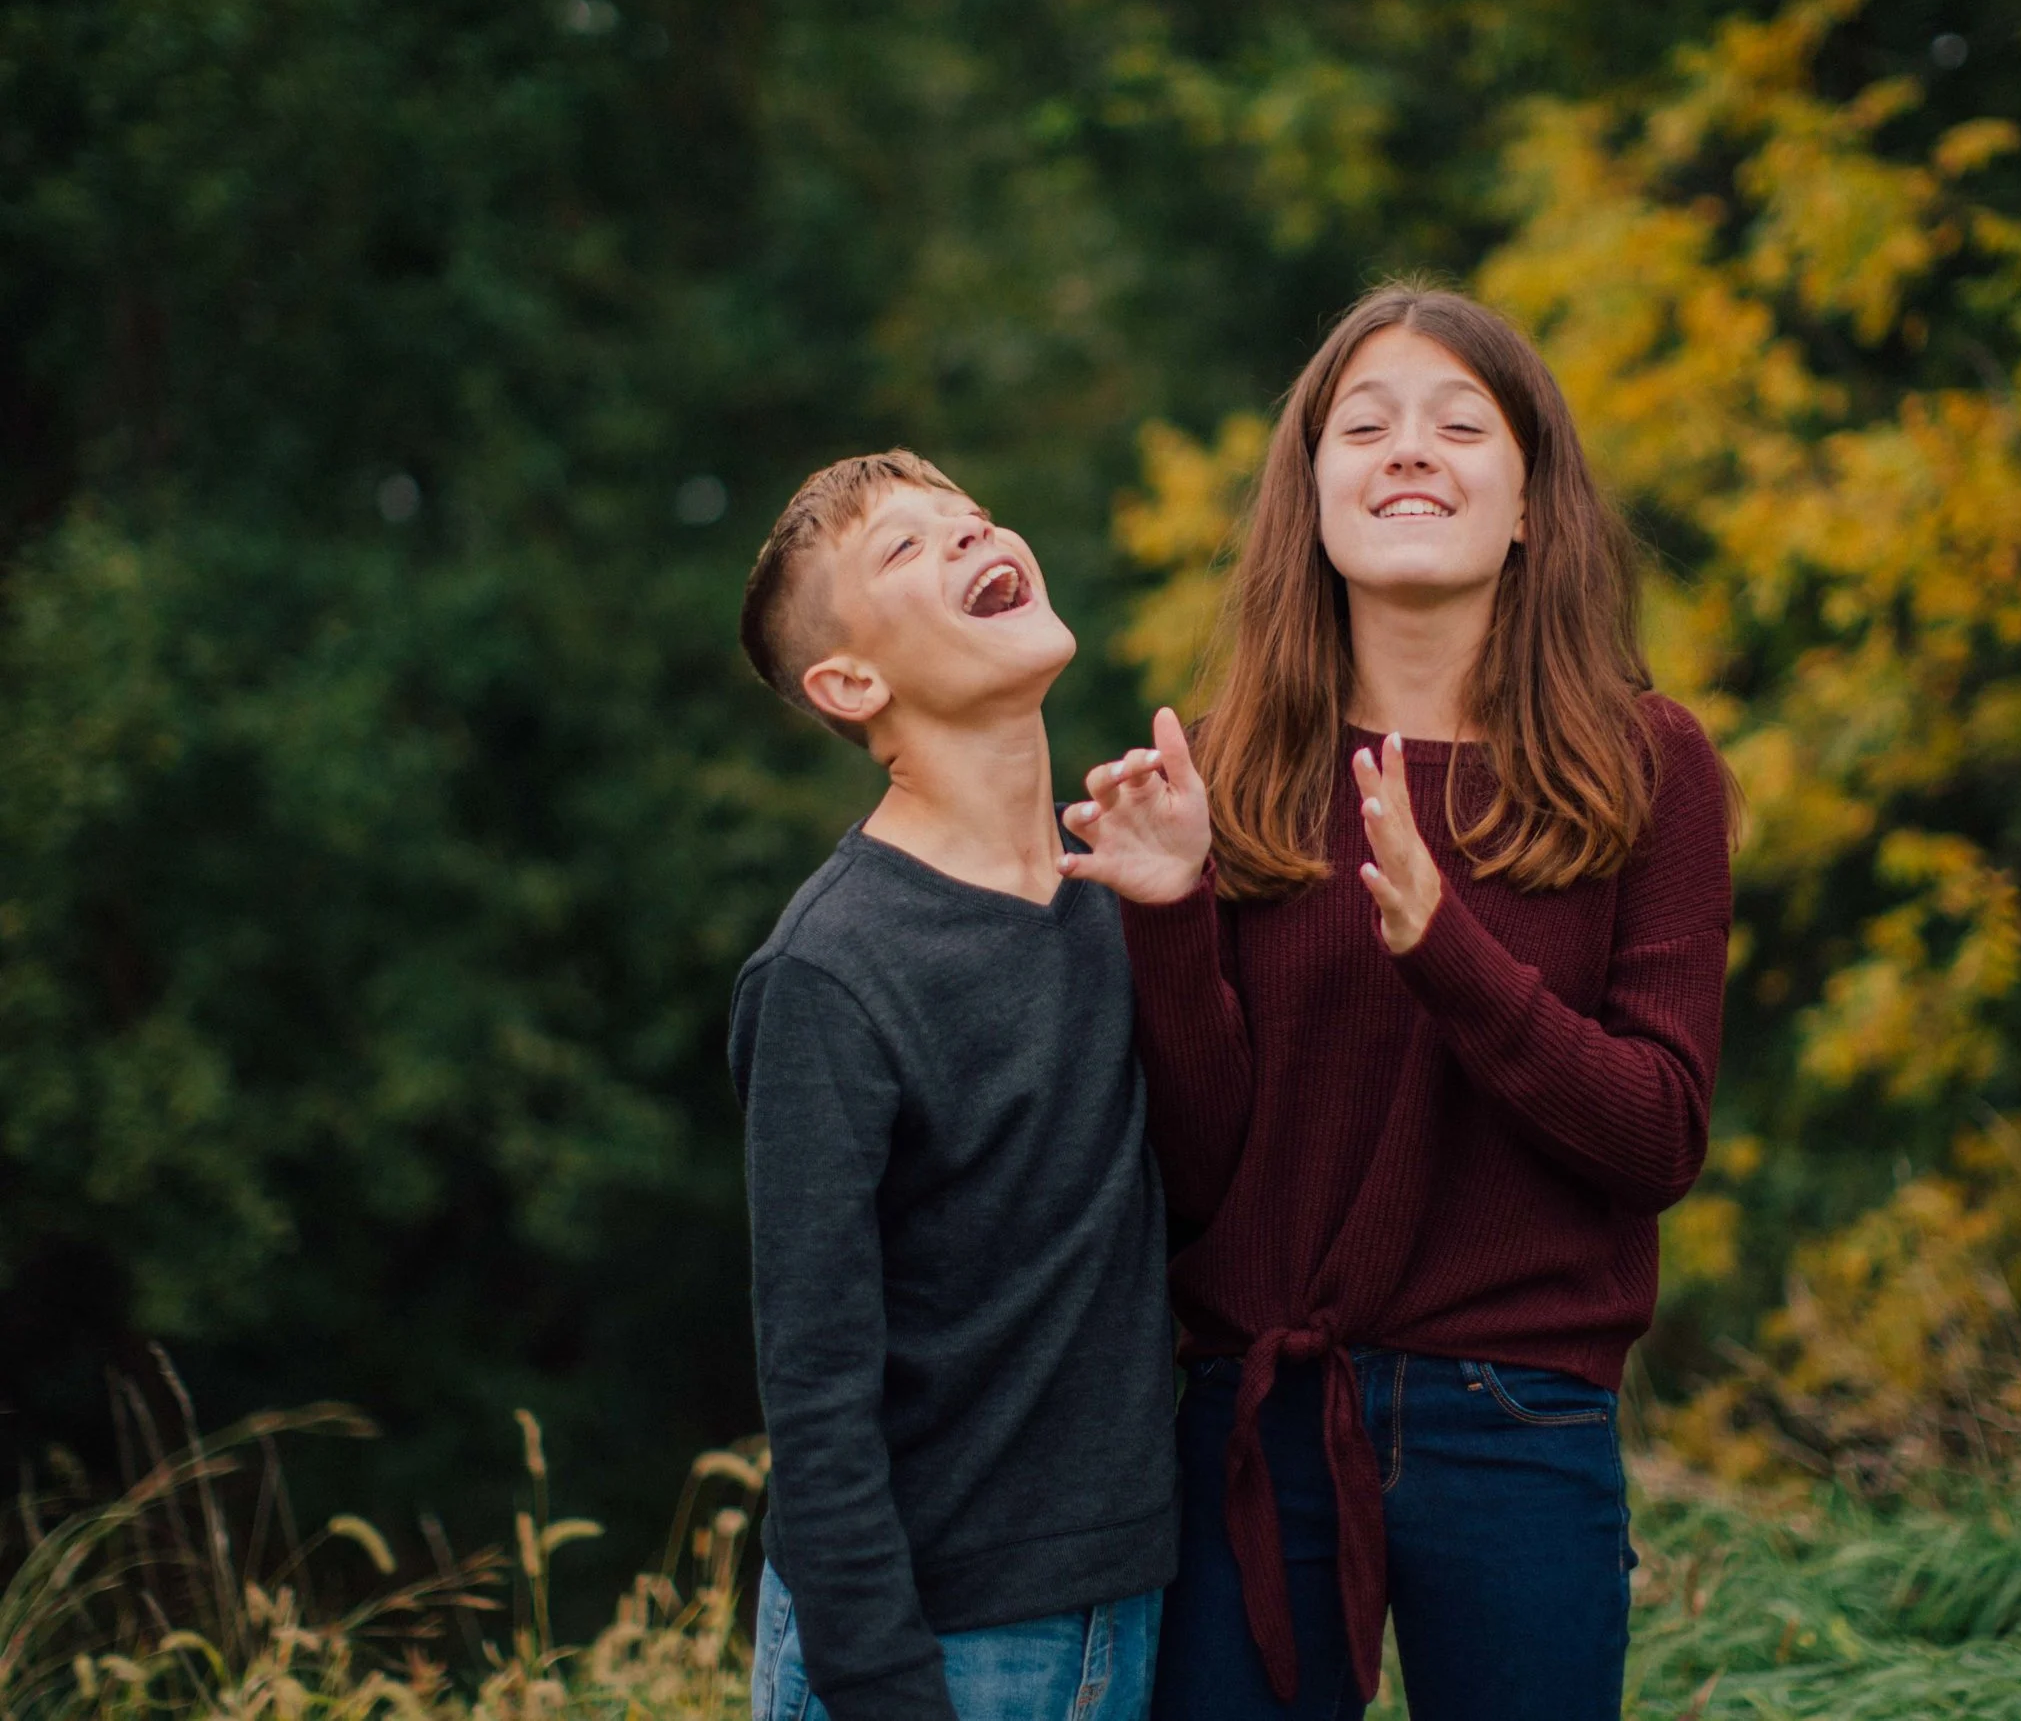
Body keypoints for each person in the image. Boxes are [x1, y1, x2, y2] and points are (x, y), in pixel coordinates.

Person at [1060, 286, 1735, 1719]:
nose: (1408, 450)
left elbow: (1660, 1136)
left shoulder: (1650, 766)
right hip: (1261, 1419)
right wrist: (1167, 918)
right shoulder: (1228, 772)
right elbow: (1192, 1177)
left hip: (1521, 1417)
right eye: (1362, 426)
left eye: (1459, 425)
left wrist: (1451, 952)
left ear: (1531, 505)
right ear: (1310, 501)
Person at [730, 451, 1177, 1721]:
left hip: (1138, 1603)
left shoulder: (1120, 896)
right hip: (935, 1645)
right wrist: (887, 1691)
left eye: (972, 517)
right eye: (907, 548)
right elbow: (815, 1398)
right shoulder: (829, 972)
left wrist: (1189, 915)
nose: (975, 535)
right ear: (850, 681)